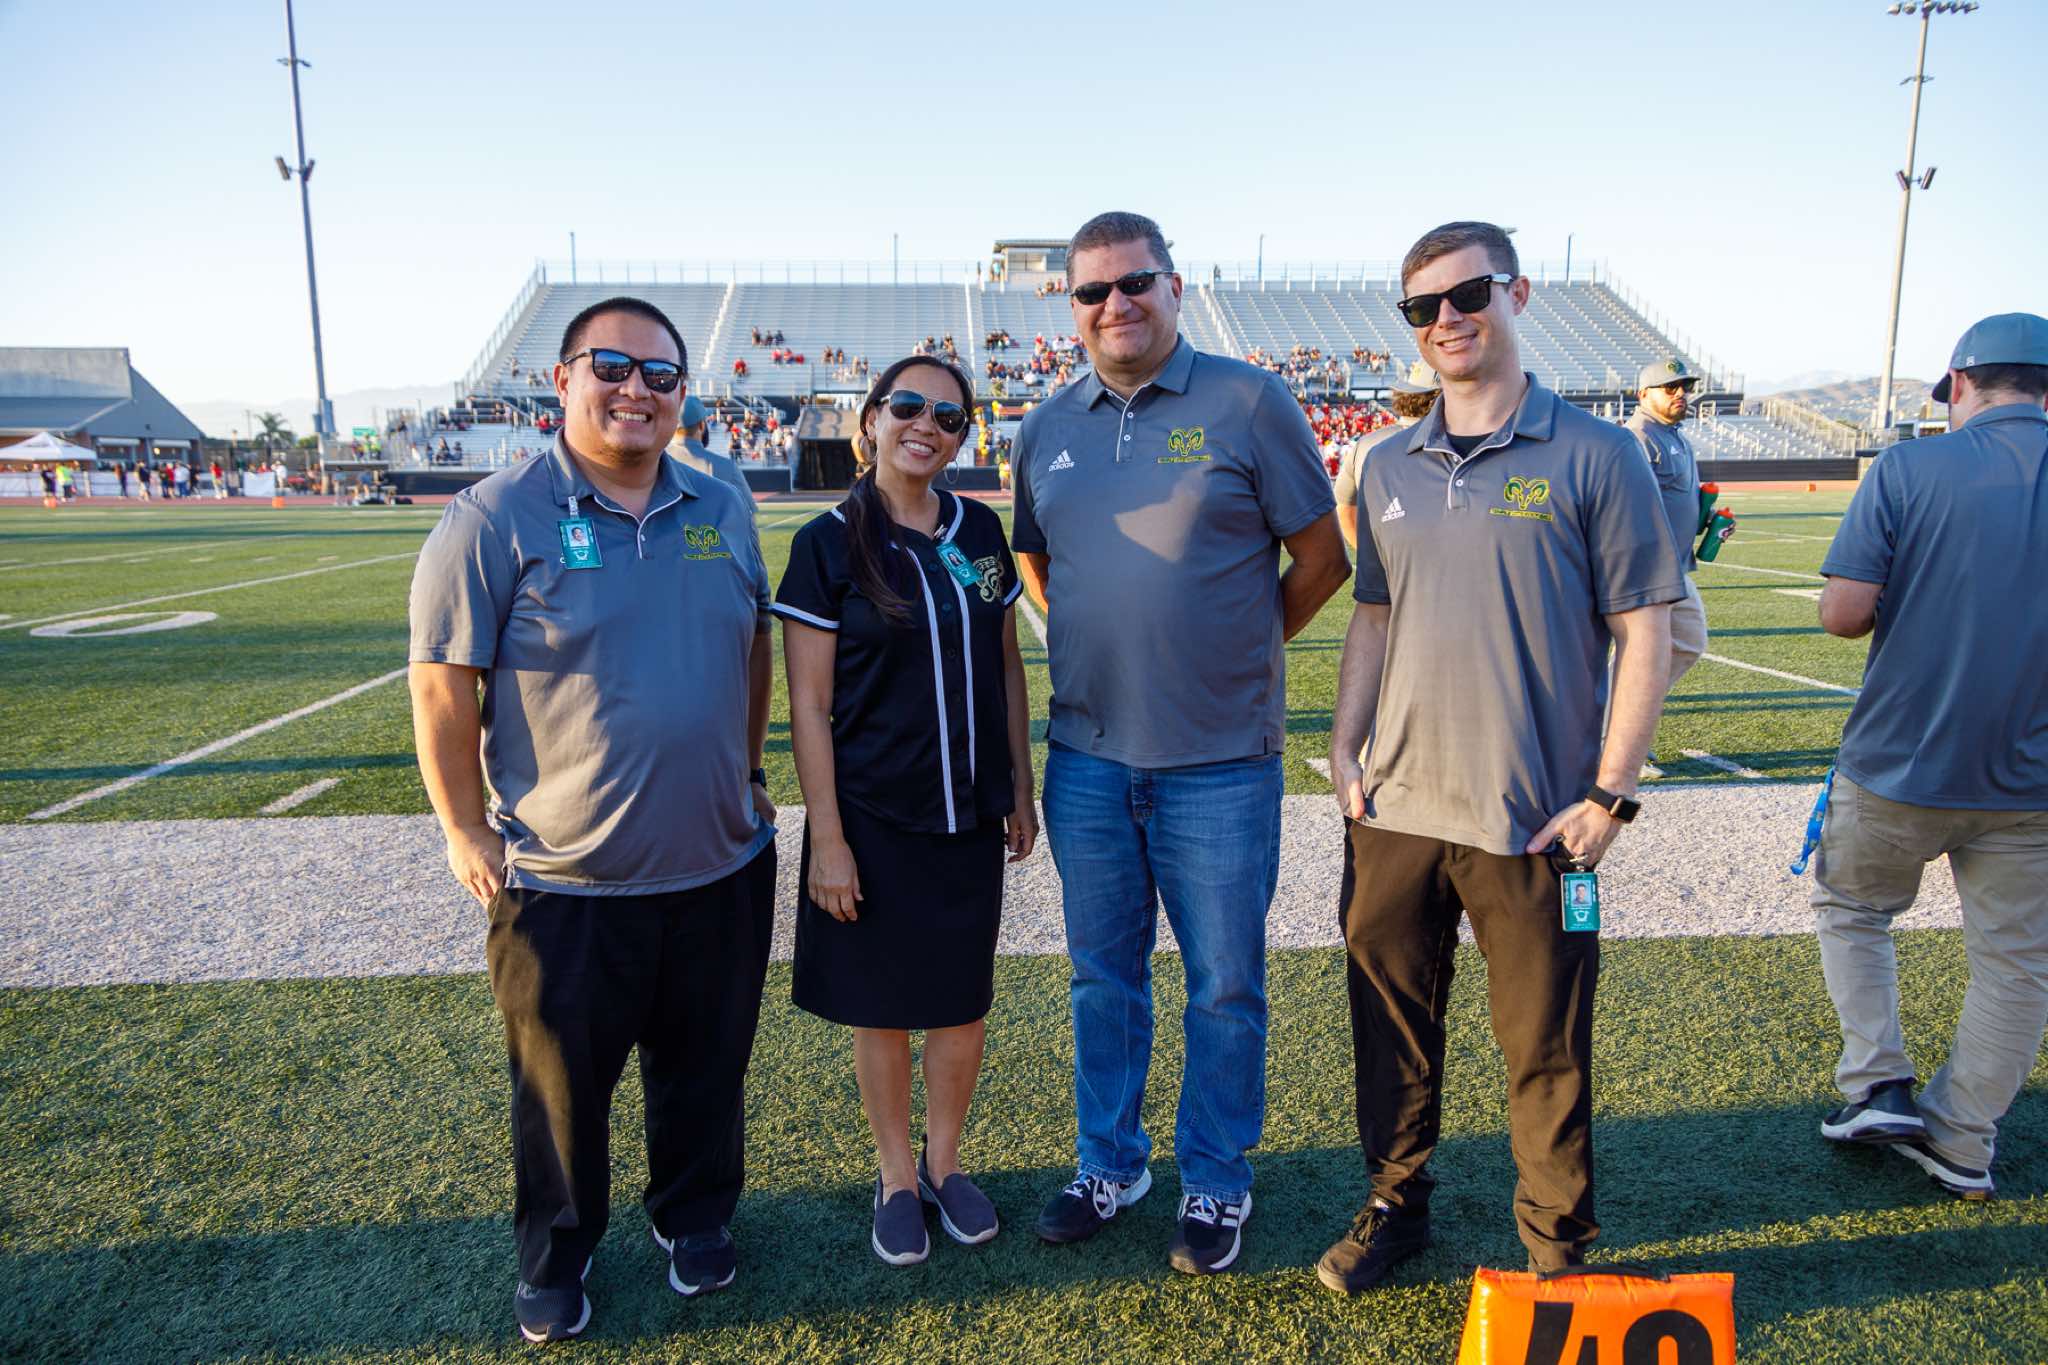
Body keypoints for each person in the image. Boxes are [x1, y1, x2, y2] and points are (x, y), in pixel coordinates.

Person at [408, 296, 777, 1344]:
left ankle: (693, 1215)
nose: (636, 390)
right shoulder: (493, 516)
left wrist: (750, 769)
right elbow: (442, 683)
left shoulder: (721, 503)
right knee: (561, 1090)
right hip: (564, 879)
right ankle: (558, 1254)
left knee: (706, 1067)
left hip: (718, 862)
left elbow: (753, 640)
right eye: (611, 366)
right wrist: (463, 828)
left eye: (660, 375)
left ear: (681, 395)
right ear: (562, 378)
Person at [1319, 221, 1679, 1293]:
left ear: (1514, 294)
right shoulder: (1386, 461)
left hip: (1536, 816)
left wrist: (1610, 796)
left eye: (1466, 294)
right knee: (1389, 1028)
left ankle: (1555, 1246)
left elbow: (1644, 631)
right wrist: (1342, 746)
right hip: (1395, 810)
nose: (1446, 320)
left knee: (1545, 1044)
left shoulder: (1598, 453)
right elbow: (1373, 616)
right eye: (1421, 307)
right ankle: (1395, 1205)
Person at [1011, 211, 1350, 1275]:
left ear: (1173, 287)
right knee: (1099, 977)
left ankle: (1214, 1177)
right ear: (1071, 308)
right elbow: (1035, 561)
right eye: (1092, 290)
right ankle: (1110, 1163)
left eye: (1134, 283)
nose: (1114, 304)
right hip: (1087, 758)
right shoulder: (1044, 425)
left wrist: (1238, 648)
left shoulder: (1250, 400)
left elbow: (1322, 557)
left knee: (1224, 985)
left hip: (1220, 762)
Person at [776, 355, 1039, 1266]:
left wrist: (1020, 783)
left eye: (949, 416)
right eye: (909, 406)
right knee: (883, 1007)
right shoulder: (825, 543)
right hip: (872, 816)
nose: (927, 424)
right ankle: (895, 1175)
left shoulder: (980, 529)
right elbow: (809, 704)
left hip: (968, 811)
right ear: (872, 420)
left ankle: (944, 1162)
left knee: (961, 1002)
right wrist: (829, 839)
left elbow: (1005, 664)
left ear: (963, 436)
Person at [1810, 312, 2048, 1201]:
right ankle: (1963, 1136)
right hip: (2032, 774)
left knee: (1854, 908)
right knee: (2016, 964)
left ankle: (1877, 1082)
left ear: (1960, 384)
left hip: (1901, 755)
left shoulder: (1909, 467)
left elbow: (1842, 613)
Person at [673, 393, 772, 769]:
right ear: (702, 425)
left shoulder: (653, 465)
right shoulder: (722, 467)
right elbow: (748, 532)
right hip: (716, 587)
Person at [1623, 358, 1709, 687]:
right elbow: (1623, 509)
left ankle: (1625, 712)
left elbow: (1677, 497)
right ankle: (1614, 716)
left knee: (1688, 643)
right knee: (1642, 652)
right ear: (1644, 394)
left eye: (1685, 387)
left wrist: (1707, 518)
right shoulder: (1636, 438)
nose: (1681, 393)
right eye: (1670, 387)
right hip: (1648, 569)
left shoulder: (1675, 436)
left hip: (1674, 567)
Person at [1335, 363, 1438, 550]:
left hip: (1383, 563)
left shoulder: (1366, 444)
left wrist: (1370, 556)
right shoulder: (1447, 444)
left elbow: (1344, 510)